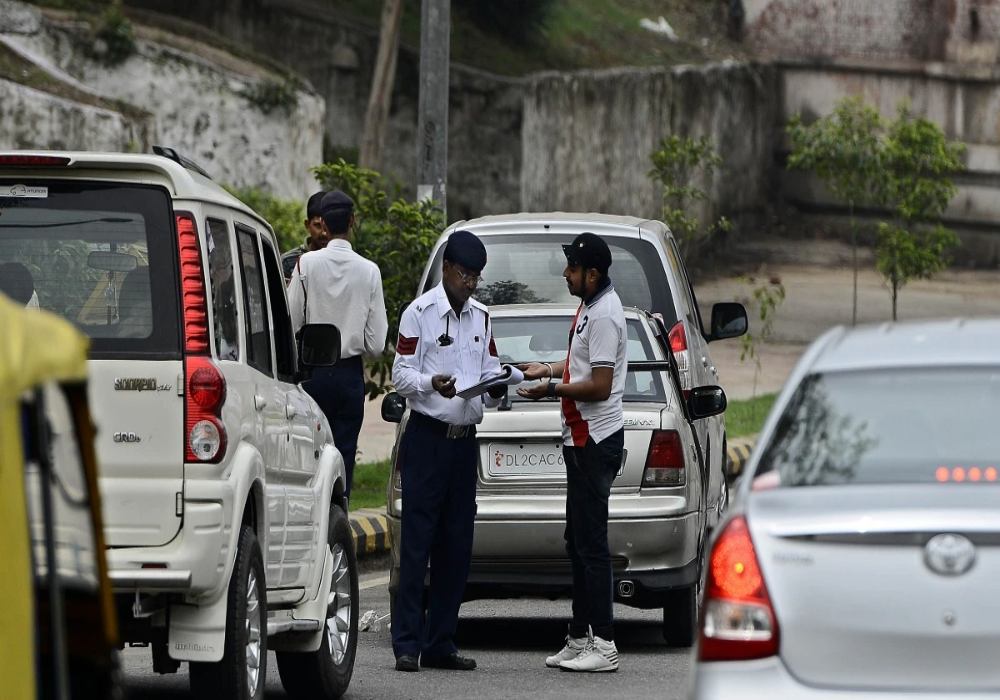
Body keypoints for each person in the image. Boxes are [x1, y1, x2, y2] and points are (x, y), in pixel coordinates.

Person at [390, 230, 508, 673]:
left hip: (463, 447)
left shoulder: (482, 318)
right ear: (446, 270)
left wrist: (498, 387)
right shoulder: (418, 314)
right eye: (464, 275)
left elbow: (491, 372)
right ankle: (407, 642)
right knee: (417, 544)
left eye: (476, 277)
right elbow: (401, 374)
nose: (470, 285)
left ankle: (442, 641)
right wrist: (429, 383)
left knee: (456, 547)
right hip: (427, 439)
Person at [517, 231, 627, 673]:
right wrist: (549, 367)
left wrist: (551, 389)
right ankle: (581, 636)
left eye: (572, 268)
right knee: (576, 541)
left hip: (594, 441)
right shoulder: (591, 307)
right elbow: (582, 365)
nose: (566, 274)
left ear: (592, 273)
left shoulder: (604, 316)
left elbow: (599, 386)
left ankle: (604, 643)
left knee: (592, 546)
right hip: (579, 438)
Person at [287, 190, 388, 501]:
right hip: (348, 378)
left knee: (309, 459)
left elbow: (291, 324)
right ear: (352, 222)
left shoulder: (306, 264)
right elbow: (376, 344)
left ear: (324, 227)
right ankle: (338, 527)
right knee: (343, 462)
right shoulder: (370, 271)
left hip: (312, 375)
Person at [282, 190, 328, 282]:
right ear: (307, 225)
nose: (324, 233)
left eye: (328, 226)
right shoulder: (287, 262)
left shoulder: (341, 261)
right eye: (318, 225)